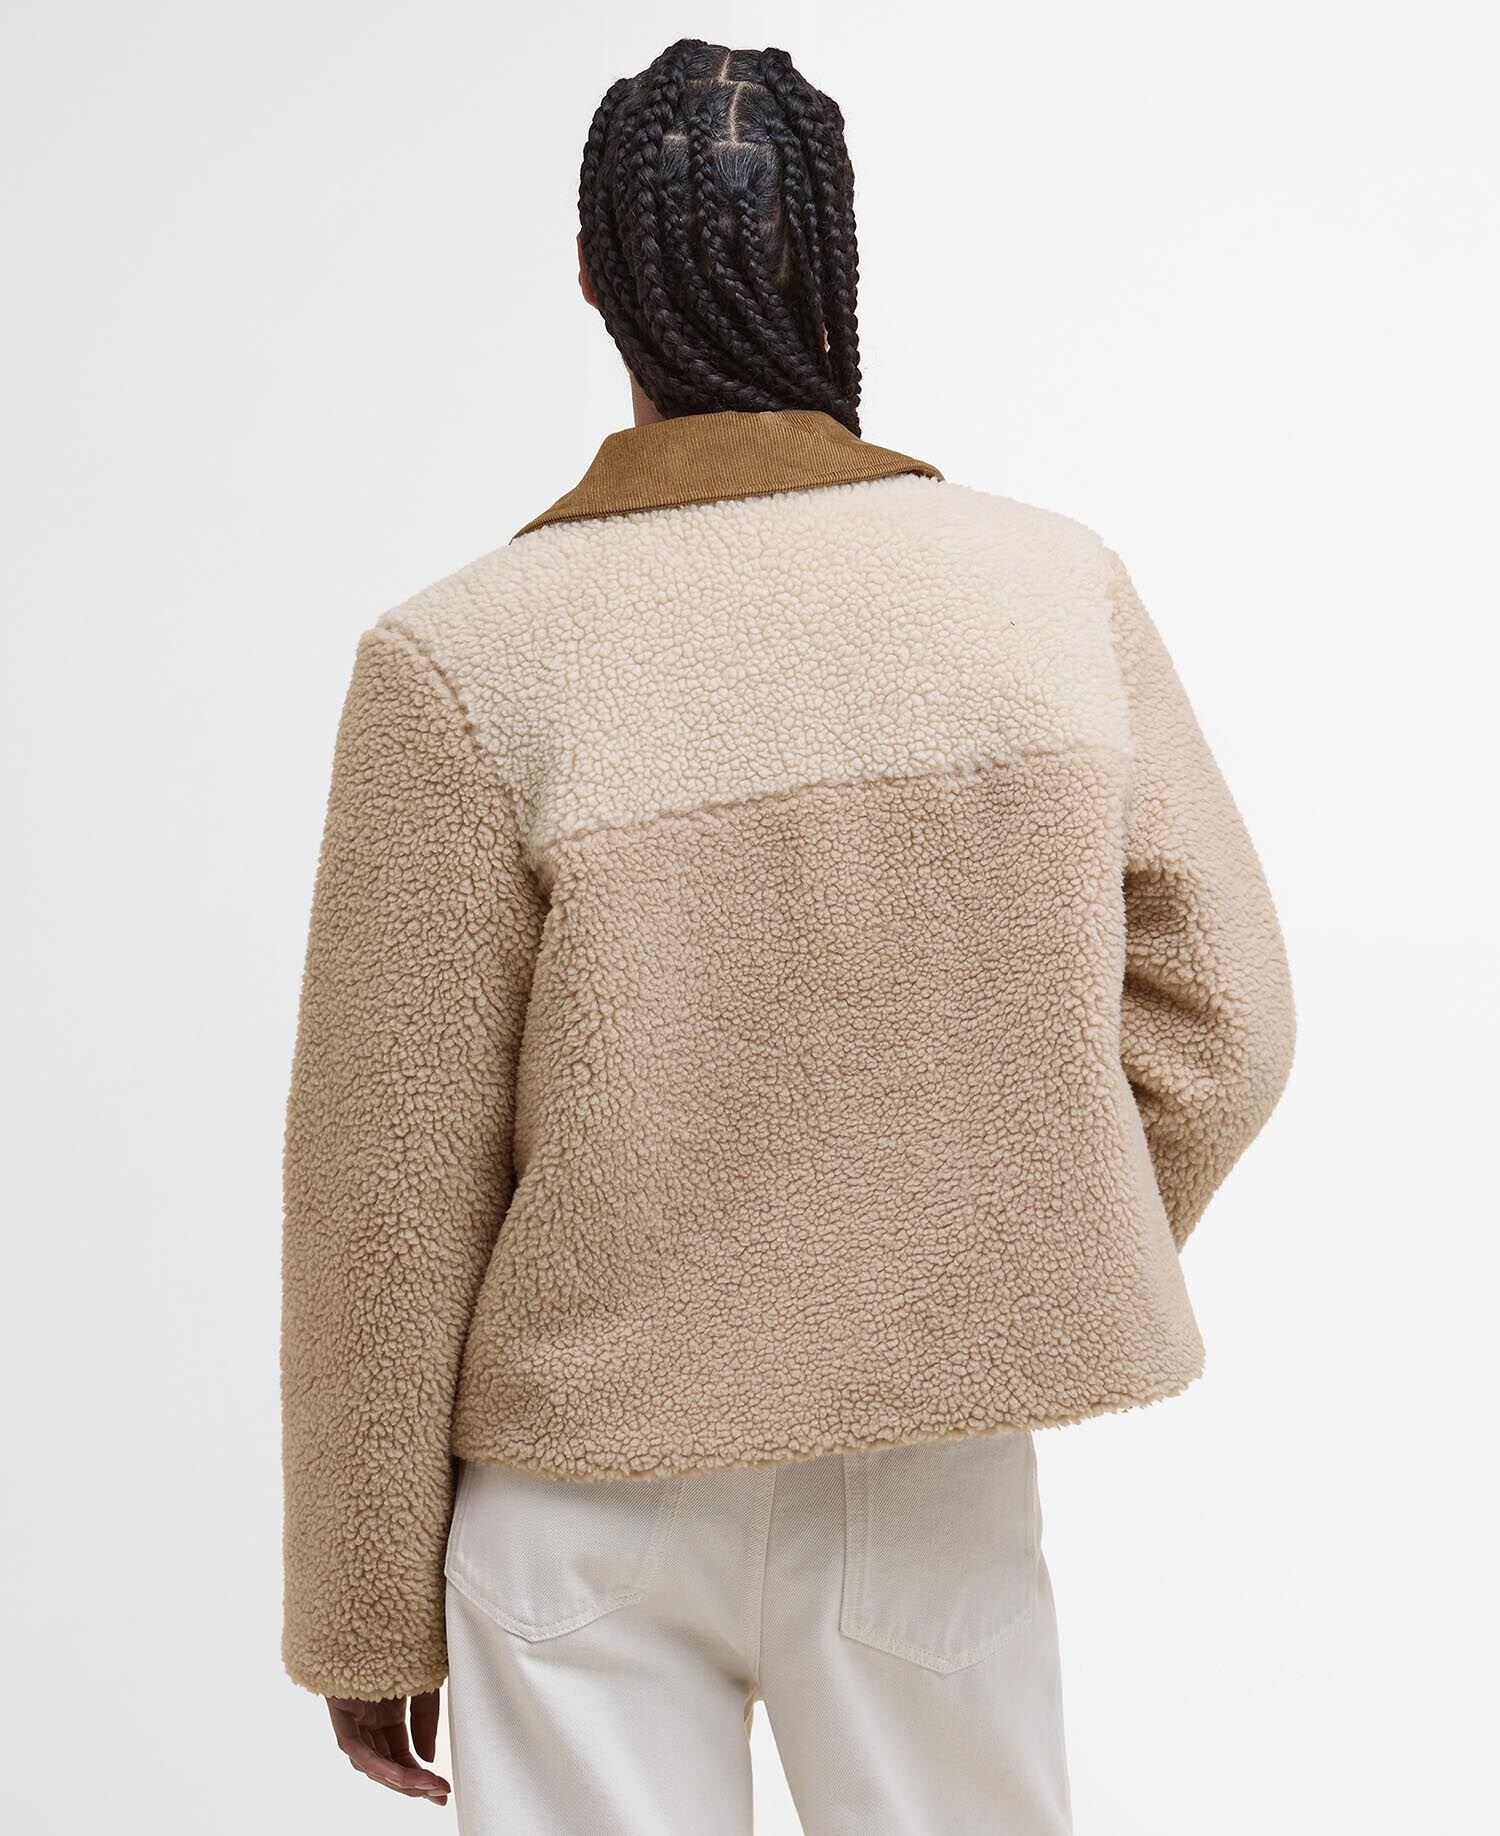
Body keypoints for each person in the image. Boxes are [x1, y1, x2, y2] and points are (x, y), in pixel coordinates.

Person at [280, 37, 1296, 1835]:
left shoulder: (458, 657)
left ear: (591, 276)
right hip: (924, 1460)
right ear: (840, 255)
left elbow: (387, 1181)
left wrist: (362, 1594)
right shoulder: (1045, 587)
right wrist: (989, 1258)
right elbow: (1225, 1019)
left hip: (582, 1478)